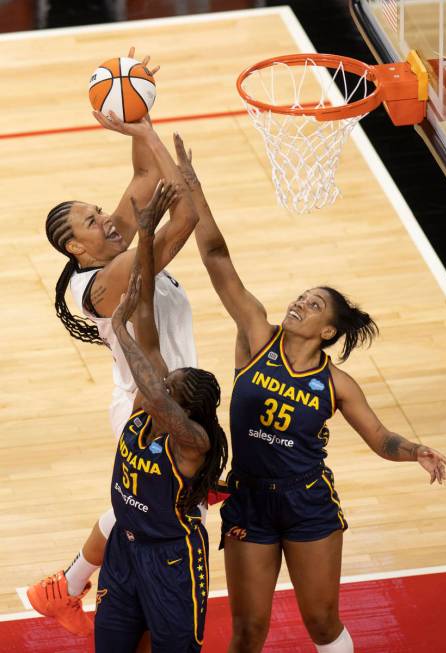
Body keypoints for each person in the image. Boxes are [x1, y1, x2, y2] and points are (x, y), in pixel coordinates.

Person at [174, 135, 446, 653]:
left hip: (308, 502)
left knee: (322, 621)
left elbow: (378, 436)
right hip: (249, 497)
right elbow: (216, 256)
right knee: (247, 630)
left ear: (328, 332)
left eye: (315, 303)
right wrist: (195, 191)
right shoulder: (257, 335)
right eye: (304, 295)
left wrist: (414, 450)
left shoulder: (336, 384)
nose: (302, 301)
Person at [27, 50, 200, 637]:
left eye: (101, 210)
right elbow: (182, 217)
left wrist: (134, 110)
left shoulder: (113, 252)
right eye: (92, 220)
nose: (107, 217)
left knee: (155, 510)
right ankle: (71, 588)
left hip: (174, 397)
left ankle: (69, 587)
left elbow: (147, 180)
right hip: (146, 408)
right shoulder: (102, 283)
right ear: (77, 249)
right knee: (161, 512)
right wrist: (148, 127)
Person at [94, 181, 228, 652]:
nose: (158, 382)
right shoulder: (144, 410)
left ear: (181, 408)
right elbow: (146, 304)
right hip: (125, 552)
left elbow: (149, 376)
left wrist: (120, 326)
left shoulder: (192, 441)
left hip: (171, 559)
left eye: (168, 387)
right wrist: (146, 234)